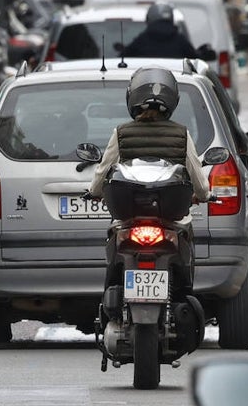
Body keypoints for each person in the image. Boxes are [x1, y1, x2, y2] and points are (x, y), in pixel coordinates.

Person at [88, 67, 210, 290]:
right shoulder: (182, 133)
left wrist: (95, 192)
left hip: (127, 221)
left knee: (113, 260)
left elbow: (103, 169)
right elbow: (198, 177)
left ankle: (110, 303)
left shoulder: (121, 132)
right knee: (186, 256)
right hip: (172, 221)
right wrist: (203, 195)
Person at [123, 1, 200, 59]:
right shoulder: (180, 41)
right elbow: (195, 59)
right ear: (171, 18)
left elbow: (124, 58)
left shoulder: (141, 41)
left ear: (148, 18)